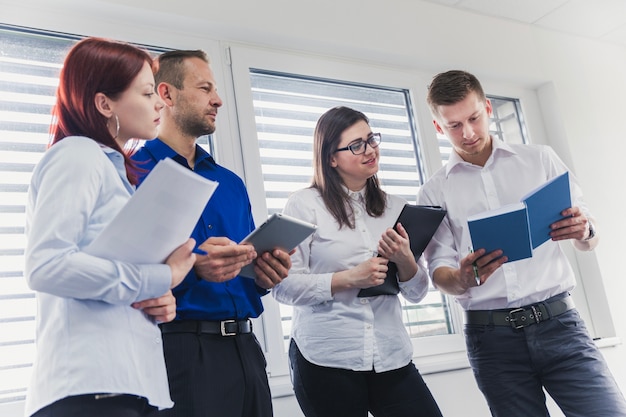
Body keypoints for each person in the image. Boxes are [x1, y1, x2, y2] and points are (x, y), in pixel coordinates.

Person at [418, 69, 626, 417]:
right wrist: (461, 278)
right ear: (439, 127)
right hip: (492, 339)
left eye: (473, 118)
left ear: (487, 108)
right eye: (454, 125)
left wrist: (584, 230)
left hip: (560, 325)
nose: (467, 133)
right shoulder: (434, 191)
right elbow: (438, 268)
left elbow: (590, 235)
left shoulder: (540, 159)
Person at [23, 37, 197, 417]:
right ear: (105, 103)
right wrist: (159, 278)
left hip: (125, 387)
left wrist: (157, 302)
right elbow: (46, 266)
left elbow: (110, 276)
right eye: (148, 92)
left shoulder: (113, 171)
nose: (159, 103)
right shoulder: (77, 155)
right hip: (90, 390)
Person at [130, 49, 292, 417]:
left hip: (247, 351)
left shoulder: (230, 183)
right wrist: (192, 268)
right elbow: (124, 275)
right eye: (205, 88)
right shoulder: (134, 174)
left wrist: (265, 275)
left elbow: (247, 277)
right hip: (181, 353)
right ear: (167, 95)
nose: (217, 99)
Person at [272, 106, 443, 417]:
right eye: (356, 145)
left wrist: (406, 260)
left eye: (371, 139)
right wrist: (349, 279)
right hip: (326, 358)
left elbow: (417, 293)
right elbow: (283, 287)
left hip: (391, 355)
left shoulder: (397, 208)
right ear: (330, 158)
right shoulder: (304, 205)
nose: (369, 150)